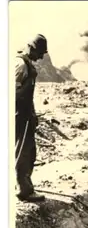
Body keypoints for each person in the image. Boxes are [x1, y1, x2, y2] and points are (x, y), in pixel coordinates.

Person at [15, 34, 48, 202]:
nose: (41, 57)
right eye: (40, 53)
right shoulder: (21, 65)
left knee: (28, 152)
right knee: (23, 154)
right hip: (19, 117)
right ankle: (24, 191)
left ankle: (21, 185)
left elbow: (27, 95)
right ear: (31, 48)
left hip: (25, 116)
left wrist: (32, 114)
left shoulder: (25, 64)